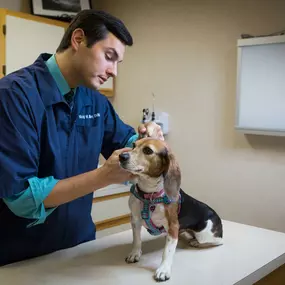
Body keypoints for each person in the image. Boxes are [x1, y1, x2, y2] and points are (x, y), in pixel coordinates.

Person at [0, 9, 163, 266]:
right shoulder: (14, 96)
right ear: (78, 40)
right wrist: (102, 177)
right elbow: (21, 198)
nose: (113, 72)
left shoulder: (94, 101)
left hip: (81, 248)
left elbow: (126, 142)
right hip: (21, 258)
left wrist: (147, 142)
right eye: (109, 57)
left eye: (118, 63)